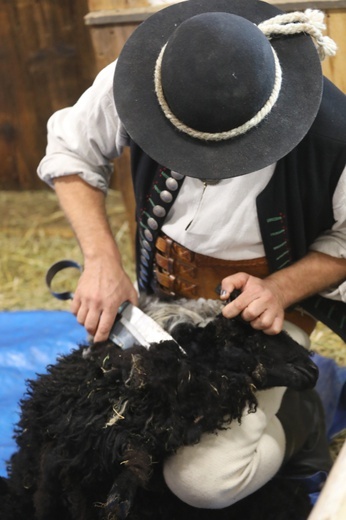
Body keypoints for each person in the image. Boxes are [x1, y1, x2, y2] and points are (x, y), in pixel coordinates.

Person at [38, 0, 346, 510]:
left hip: (266, 317)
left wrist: (279, 289)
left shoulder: (334, 132)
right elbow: (71, 153)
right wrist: (101, 260)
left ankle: (304, 416)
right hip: (155, 304)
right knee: (105, 444)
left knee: (201, 483)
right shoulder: (149, 76)